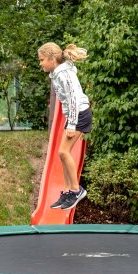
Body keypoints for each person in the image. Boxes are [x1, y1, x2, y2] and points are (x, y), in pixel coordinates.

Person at [38, 42, 93, 210]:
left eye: (42, 60)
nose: (40, 63)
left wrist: (72, 124)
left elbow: (74, 99)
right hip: (75, 116)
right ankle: (69, 191)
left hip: (80, 114)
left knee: (63, 152)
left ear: (52, 59)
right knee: (62, 153)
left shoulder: (64, 74)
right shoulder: (57, 73)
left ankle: (76, 190)